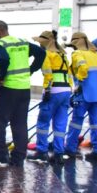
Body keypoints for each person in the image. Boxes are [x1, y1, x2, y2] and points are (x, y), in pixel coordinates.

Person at [0, 21, 46, 168]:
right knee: (20, 123)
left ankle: (1, 156)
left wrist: (1, 78)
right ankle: (19, 157)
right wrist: (31, 70)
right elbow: (41, 53)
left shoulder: (0, 44)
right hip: (24, 88)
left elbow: (4, 60)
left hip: (8, 87)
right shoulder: (22, 42)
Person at [63, 32, 97, 163]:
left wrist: (80, 81)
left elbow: (82, 66)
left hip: (84, 93)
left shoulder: (77, 54)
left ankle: (70, 148)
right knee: (96, 124)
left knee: (76, 122)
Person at [28, 30, 72, 166]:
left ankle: (41, 151)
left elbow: (48, 73)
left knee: (43, 122)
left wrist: (47, 89)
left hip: (53, 90)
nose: (39, 44)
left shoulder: (47, 54)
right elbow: (69, 74)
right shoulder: (63, 55)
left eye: (41, 42)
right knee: (60, 124)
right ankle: (59, 153)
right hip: (66, 90)